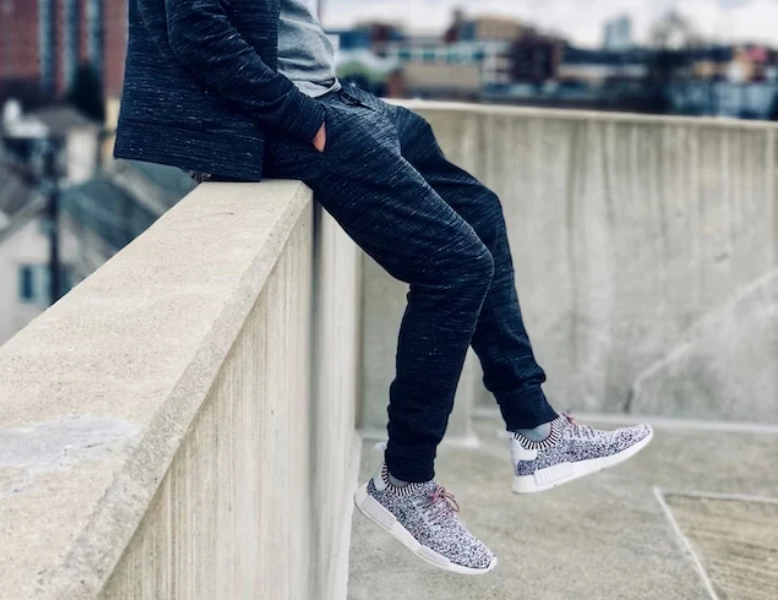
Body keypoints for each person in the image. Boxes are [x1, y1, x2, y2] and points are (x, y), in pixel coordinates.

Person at [115, 0, 654, 575]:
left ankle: (536, 431)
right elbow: (198, 34)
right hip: (275, 121)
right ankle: (404, 482)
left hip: (330, 98)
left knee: (479, 210)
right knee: (456, 265)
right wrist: (306, 121)